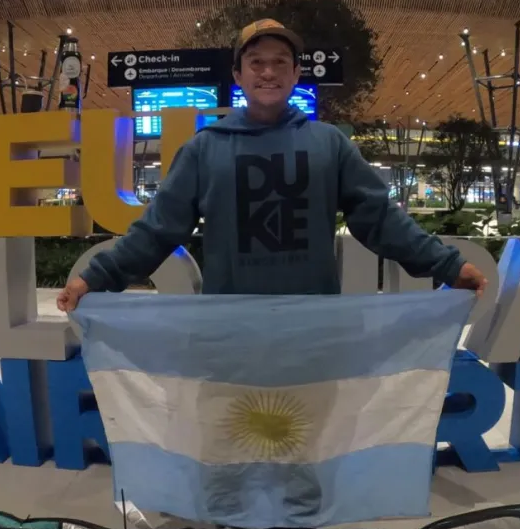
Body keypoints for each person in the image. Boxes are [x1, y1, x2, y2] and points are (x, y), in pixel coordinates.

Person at [57, 18, 486, 311]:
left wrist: (449, 265)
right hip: (230, 330)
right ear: (238, 75)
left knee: (311, 435)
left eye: (280, 62)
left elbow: (380, 221)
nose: (268, 72)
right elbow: (156, 231)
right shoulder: (204, 150)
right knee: (232, 436)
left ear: (297, 73)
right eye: (256, 62)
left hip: (313, 328)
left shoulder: (329, 144)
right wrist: (92, 280)